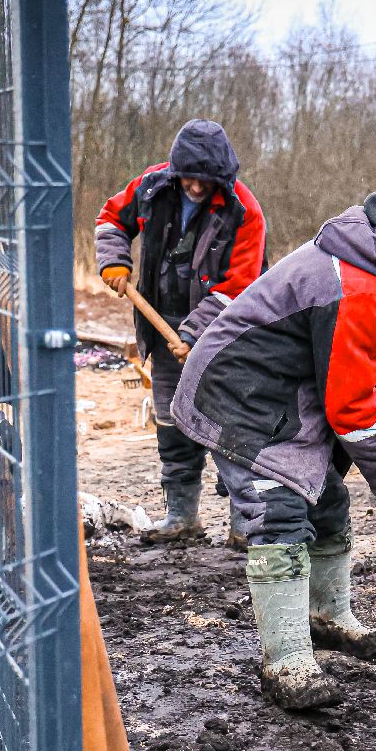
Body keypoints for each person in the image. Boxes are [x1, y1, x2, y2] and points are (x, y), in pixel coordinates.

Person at [171, 185, 376, 710]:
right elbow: (352, 411)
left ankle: (327, 617)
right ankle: (286, 661)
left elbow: (348, 387)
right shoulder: (360, 286)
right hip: (239, 395)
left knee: (329, 500)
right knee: (279, 510)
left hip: (281, 393)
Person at [96, 119, 267, 542]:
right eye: (189, 177)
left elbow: (239, 288)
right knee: (172, 418)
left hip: (228, 329)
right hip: (162, 319)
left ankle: (247, 525)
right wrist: (114, 259)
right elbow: (111, 218)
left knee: (229, 421)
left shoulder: (245, 212)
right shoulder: (153, 187)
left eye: (205, 181)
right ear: (176, 171)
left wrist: (194, 333)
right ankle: (183, 515)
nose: (195, 186)